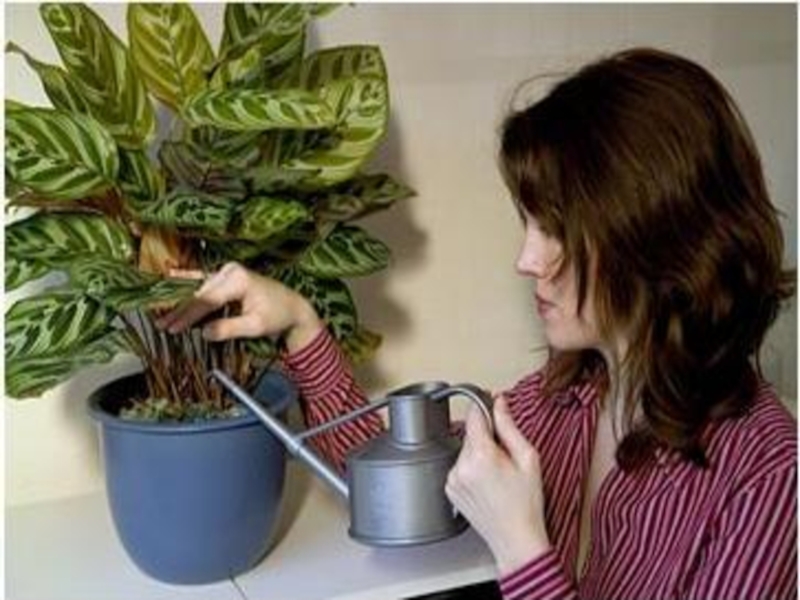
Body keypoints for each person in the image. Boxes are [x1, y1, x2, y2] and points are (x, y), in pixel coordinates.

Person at [158, 48, 797, 600]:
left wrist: (520, 546)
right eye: (528, 224)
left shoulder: (769, 480)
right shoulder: (562, 401)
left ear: (659, 235)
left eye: (557, 230)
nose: (527, 260)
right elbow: (393, 486)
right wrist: (300, 324)